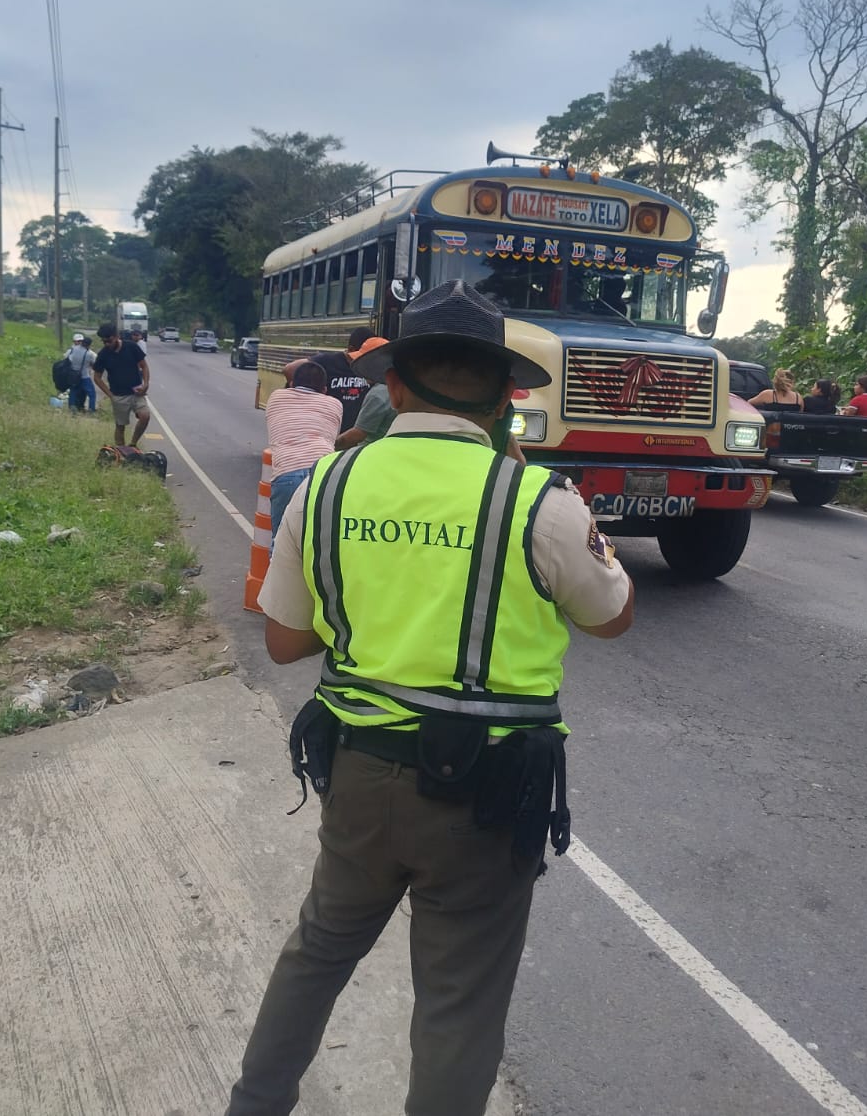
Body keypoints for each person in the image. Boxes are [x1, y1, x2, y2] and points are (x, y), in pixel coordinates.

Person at [226, 280, 635, 1116]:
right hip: (487, 798)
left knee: (318, 953)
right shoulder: (538, 501)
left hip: (362, 777)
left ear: (397, 386)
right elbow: (613, 617)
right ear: (503, 399)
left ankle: (254, 1104)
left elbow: (284, 642)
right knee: (459, 1003)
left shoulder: (328, 487)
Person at [263, 361, 341, 547]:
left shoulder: (276, 398)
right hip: (325, 476)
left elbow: (287, 368)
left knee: (282, 543)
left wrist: (319, 358)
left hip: (287, 475)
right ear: (324, 390)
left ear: (291, 385)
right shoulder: (335, 404)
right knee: (319, 544)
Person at [286, 327, 388, 434]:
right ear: (351, 349)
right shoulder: (328, 361)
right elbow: (289, 369)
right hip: (330, 431)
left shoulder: (372, 370)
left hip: (358, 431)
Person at [92, 320, 151, 447]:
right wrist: (110, 395)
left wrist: (146, 384)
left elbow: (144, 366)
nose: (107, 344)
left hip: (136, 392)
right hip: (118, 395)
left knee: (145, 416)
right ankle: (121, 451)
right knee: (120, 426)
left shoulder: (131, 347)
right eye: (104, 342)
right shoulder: (103, 355)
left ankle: (133, 444)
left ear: (117, 336)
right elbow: (97, 377)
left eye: (109, 341)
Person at [331, 381, 396, 450]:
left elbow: (358, 434)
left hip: (371, 451)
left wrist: (329, 445)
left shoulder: (377, 395)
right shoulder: (397, 387)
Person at [64, 333, 96, 413]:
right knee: (92, 394)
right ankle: (91, 410)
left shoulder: (73, 349)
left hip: (73, 376)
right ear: (89, 345)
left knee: (73, 392)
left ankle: (72, 408)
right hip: (84, 376)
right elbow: (93, 364)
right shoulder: (89, 354)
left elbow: (68, 359)